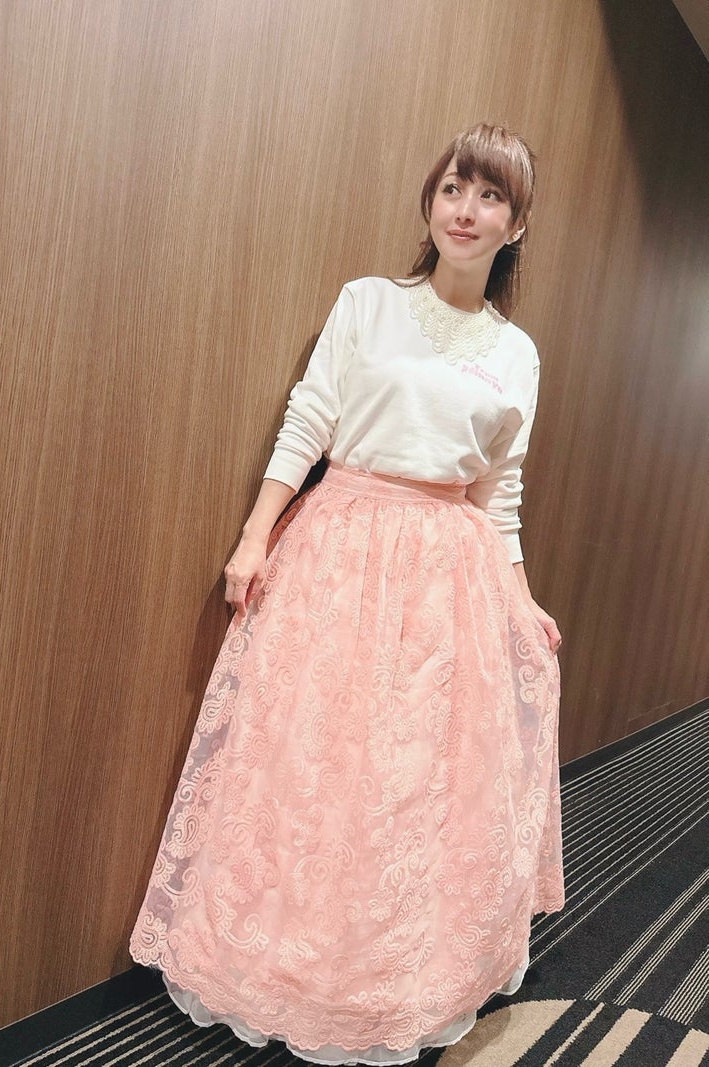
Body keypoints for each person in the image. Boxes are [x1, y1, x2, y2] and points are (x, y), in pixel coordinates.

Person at [130, 122, 565, 1065]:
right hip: (339, 549)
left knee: (409, 781)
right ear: (430, 200)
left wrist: (522, 599)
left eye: (491, 195)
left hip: (448, 575)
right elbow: (310, 419)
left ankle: (392, 974)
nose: (466, 209)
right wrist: (256, 534)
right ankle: (280, 962)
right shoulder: (369, 303)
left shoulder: (517, 352)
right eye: (454, 187)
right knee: (310, 758)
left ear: (517, 224)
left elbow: (501, 495)